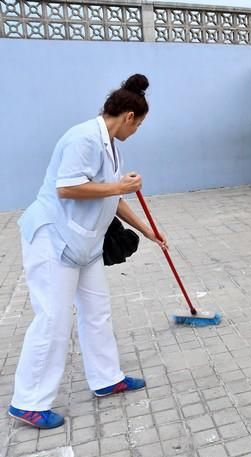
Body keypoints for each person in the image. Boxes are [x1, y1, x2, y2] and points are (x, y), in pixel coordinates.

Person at [8, 74, 168, 429]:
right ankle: (28, 402)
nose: (137, 130)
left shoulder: (112, 145)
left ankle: (107, 378)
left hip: (85, 244)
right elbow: (68, 188)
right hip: (54, 239)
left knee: (97, 310)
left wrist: (149, 230)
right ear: (128, 116)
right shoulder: (83, 138)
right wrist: (118, 185)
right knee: (53, 319)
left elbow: (114, 196)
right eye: (139, 124)